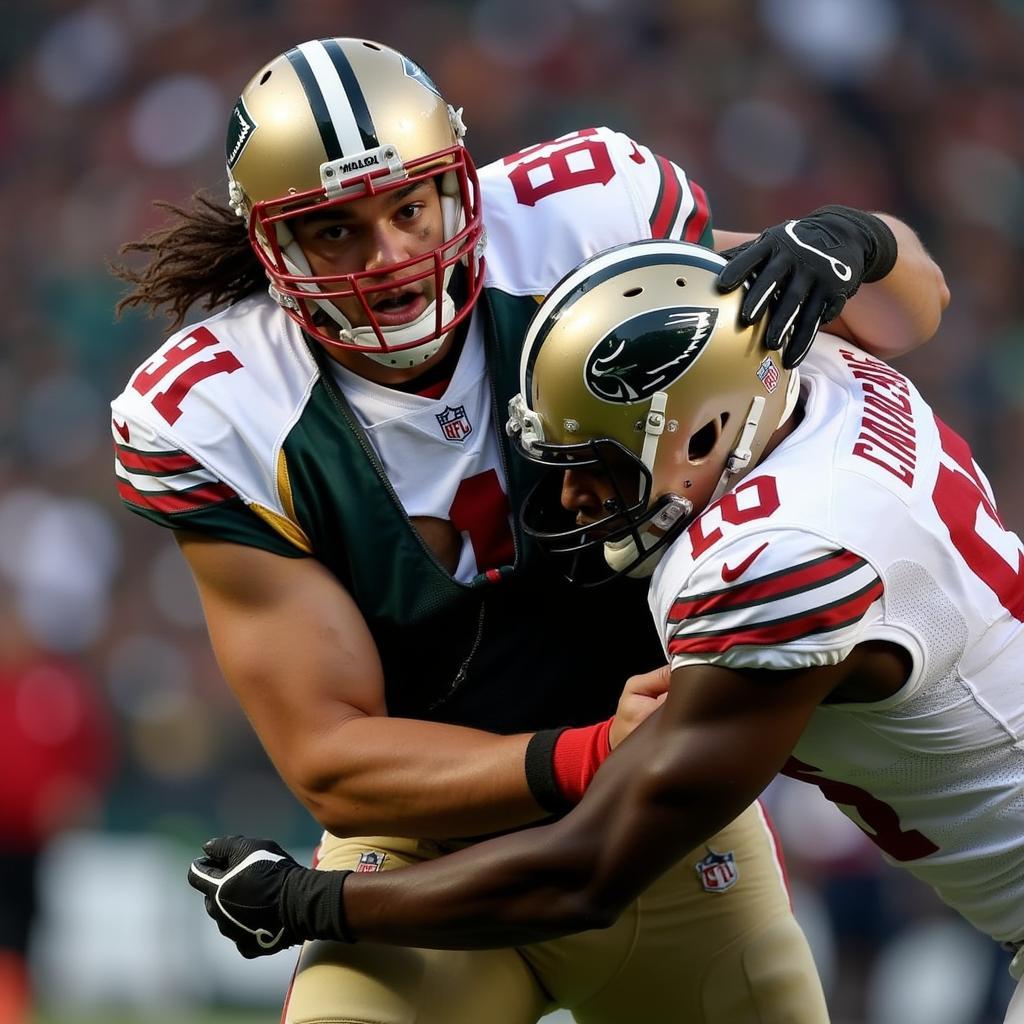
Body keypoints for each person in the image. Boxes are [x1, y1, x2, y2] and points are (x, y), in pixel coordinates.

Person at [113, 36, 947, 1023]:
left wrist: (860, 240)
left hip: (656, 828)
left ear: (458, 186)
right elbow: (334, 758)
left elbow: (908, 308)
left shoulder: (575, 228)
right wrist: (592, 748)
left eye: (407, 207)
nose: (386, 260)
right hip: (428, 845)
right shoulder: (220, 410)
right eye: (333, 231)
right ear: (271, 247)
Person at [185, 239, 1024, 1022]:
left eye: (598, 463)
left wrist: (307, 903)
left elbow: (583, 874)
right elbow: (913, 286)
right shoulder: (821, 376)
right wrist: (862, 240)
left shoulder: (775, 563)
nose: (573, 498)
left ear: (702, 429)